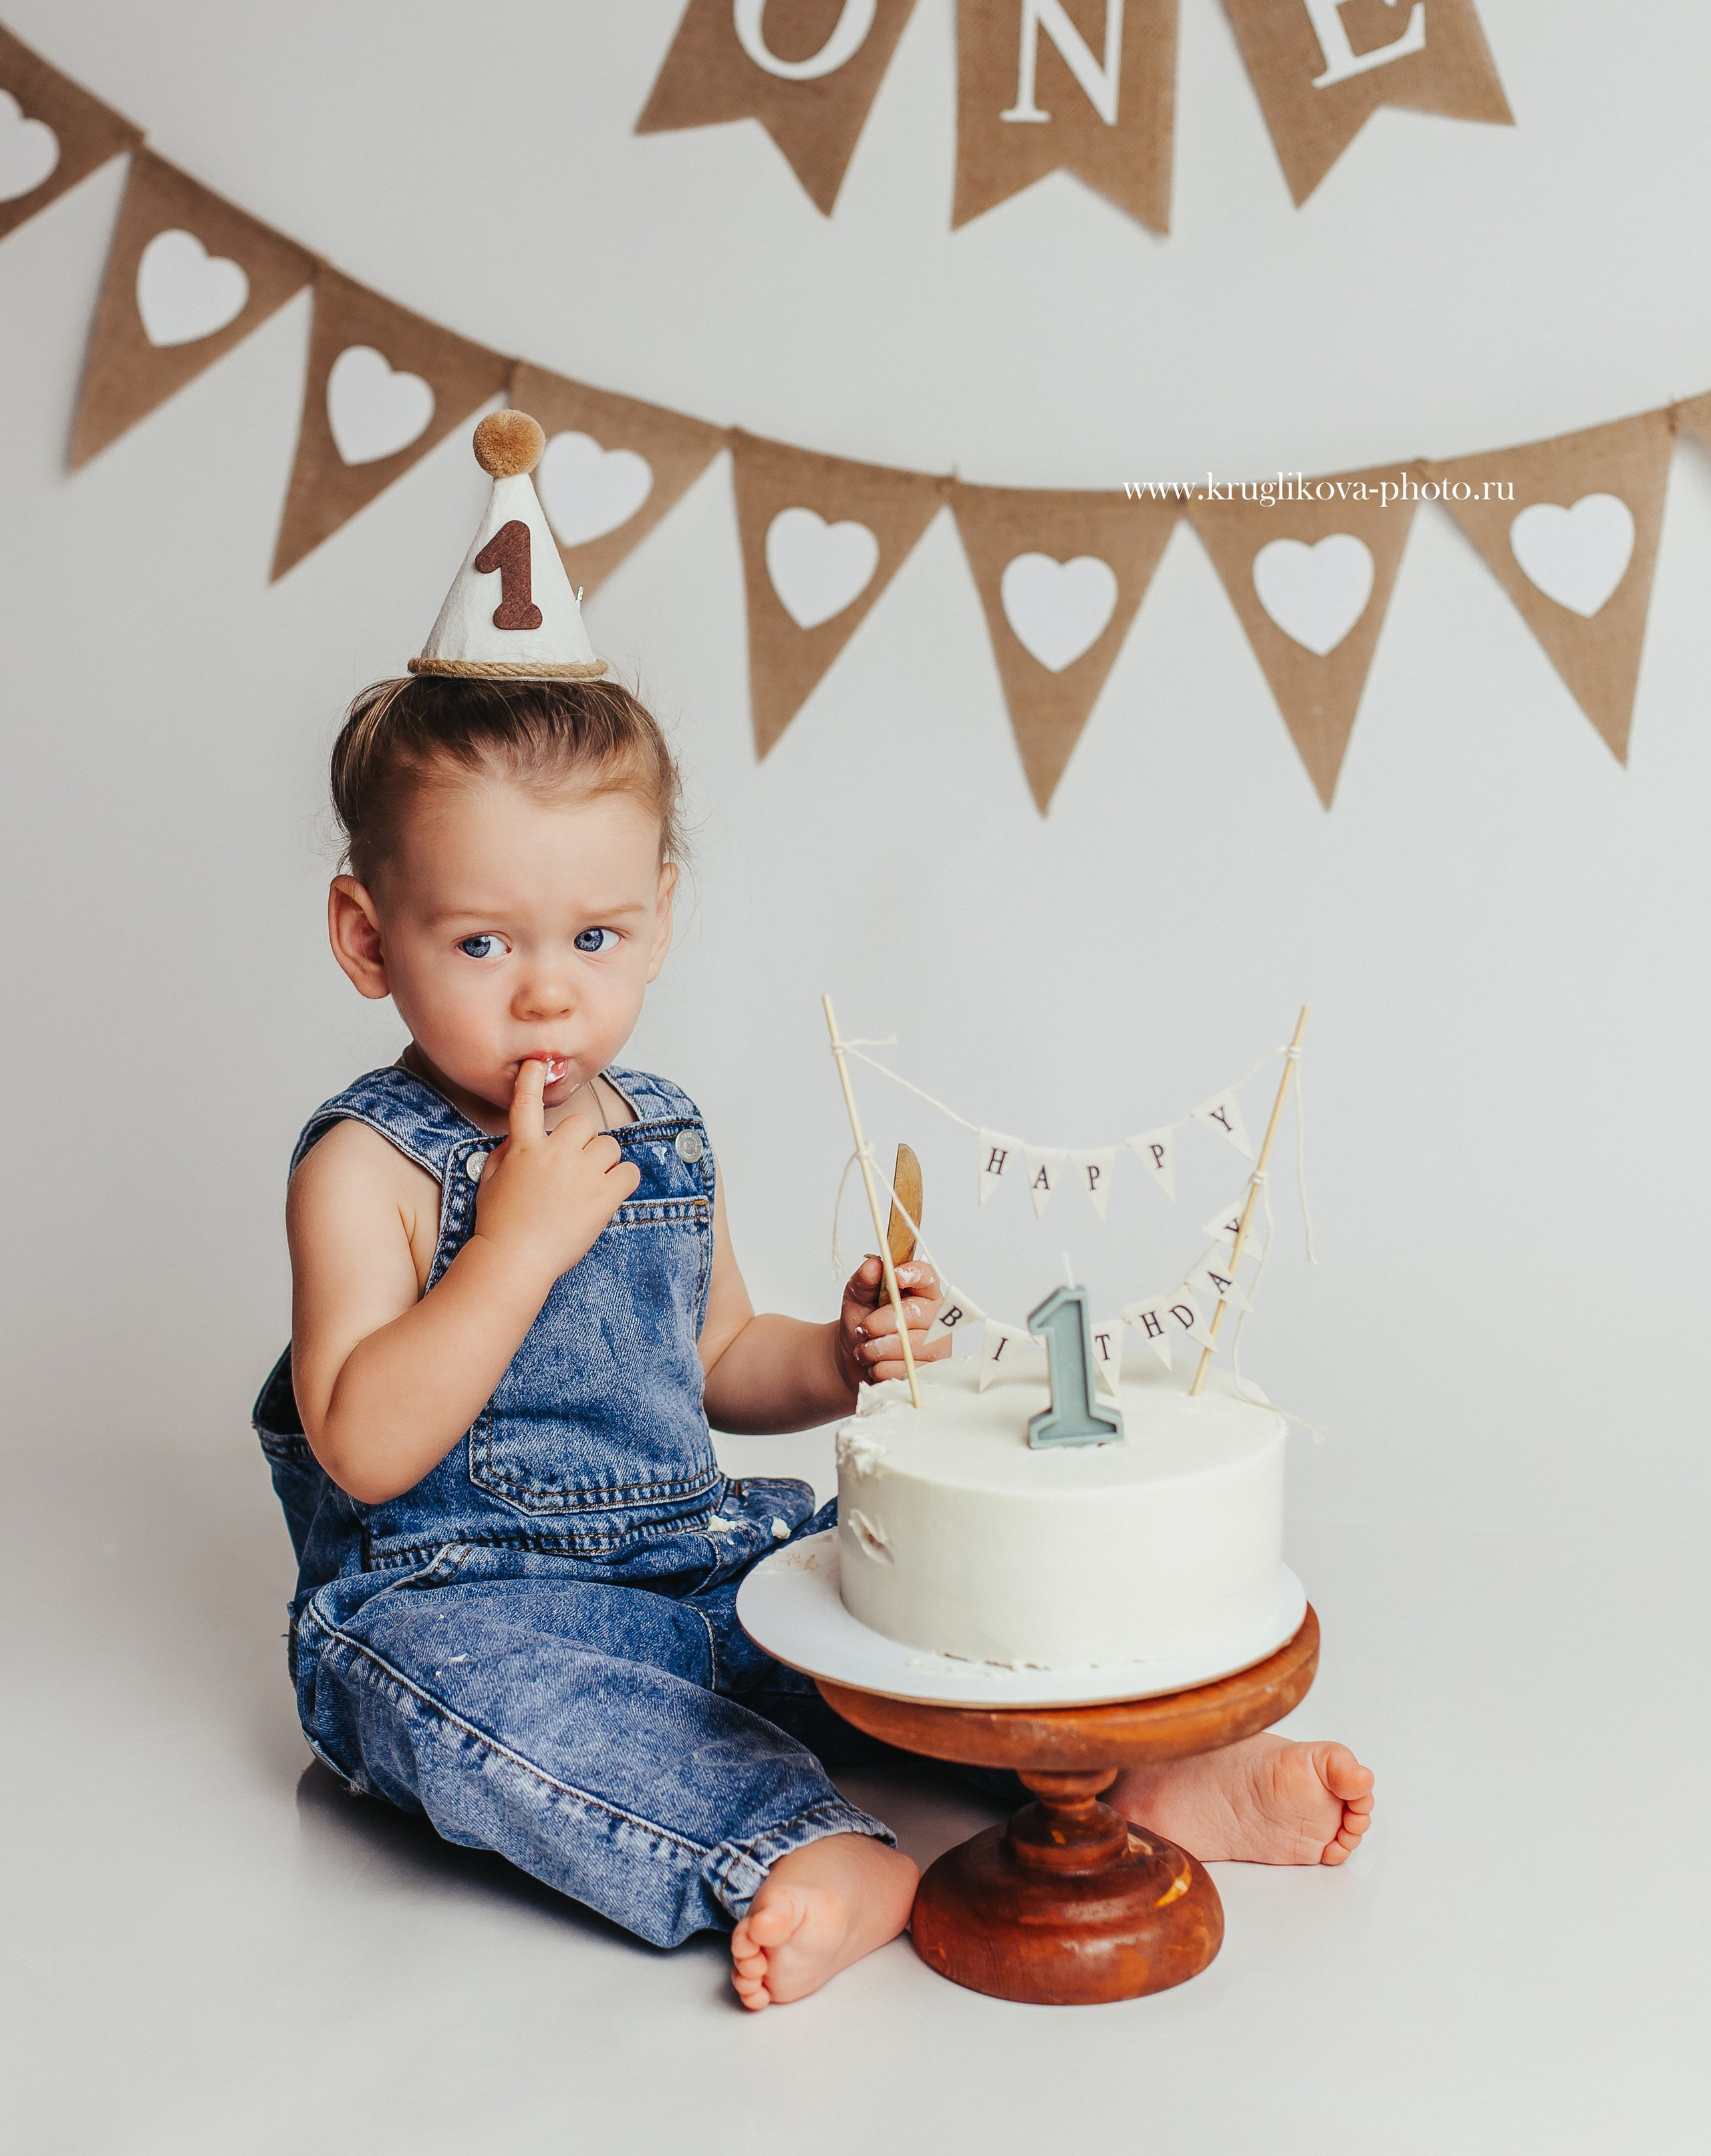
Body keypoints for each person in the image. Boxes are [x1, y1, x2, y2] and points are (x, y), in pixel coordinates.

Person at [256, 416, 1373, 2013]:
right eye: (482, 943)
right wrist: (509, 1244)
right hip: (462, 1594)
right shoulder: (362, 1166)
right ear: (370, 937)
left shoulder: (663, 1132)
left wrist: (837, 1358)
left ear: (660, 914)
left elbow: (716, 1362)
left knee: (869, 1589)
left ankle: (1112, 1790)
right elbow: (363, 1443)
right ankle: (788, 1842)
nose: (551, 987)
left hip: (689, 1553)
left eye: (595, 930)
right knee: (461, 1707)